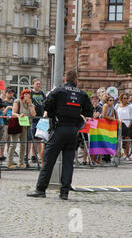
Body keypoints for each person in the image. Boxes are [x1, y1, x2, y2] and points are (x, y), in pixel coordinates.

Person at [27, 70, 93, 200]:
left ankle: (40, 189)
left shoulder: (59, 91)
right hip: (73, 130)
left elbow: (46, 105)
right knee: (68, 162)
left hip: (59, 128)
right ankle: (64, 192)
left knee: (48, 159)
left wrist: (53, 113)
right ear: (76, 80)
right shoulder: (82, 94)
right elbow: (89, 111)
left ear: (65, 79)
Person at [8, 89, 36, 169]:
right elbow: (13, 112)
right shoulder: (17, 101)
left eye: (29, 94)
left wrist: (30, 104)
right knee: (13, 144)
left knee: (23, 144)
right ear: (22, 95)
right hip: (17, 125)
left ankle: (21, 162)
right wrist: (19, 115)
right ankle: (10, 163)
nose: (27, 96)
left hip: (25, 126)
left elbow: (33, 114)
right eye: (25, 94)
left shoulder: (31, 104)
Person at [30, 79, 46, 163]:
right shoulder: (30, 93)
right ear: (33, 85)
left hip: (41, 118)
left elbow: (45, 103)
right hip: (33, 118)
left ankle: (39, 155)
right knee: (33, 138)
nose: (38, 85)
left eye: (39, 84)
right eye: (37, 84)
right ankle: (33, 155)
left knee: (39, 138)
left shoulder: (42, 93)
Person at [115, 93, 132, 161]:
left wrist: (129, 126)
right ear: (121, 99)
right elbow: (115, 115)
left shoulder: (130, 107)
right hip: (119, 125)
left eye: (127, 98)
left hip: (127, 125)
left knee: (126, 141)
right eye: (124, 98)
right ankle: (117, 154)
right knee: (117, 140)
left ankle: (127, 155)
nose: (125, 100)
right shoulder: (117, 106)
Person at [0, 88, 15, 161]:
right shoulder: (3, 102)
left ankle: (9, 156)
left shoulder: (14, 102)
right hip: (5, 123)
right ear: (6, 93)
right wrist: (8, 107)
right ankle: (1, 156)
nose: (11, 94)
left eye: (12, 93)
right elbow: (2, 114)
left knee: (11, 141)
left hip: (12, 123)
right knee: (3, 140)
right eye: (9, 93)